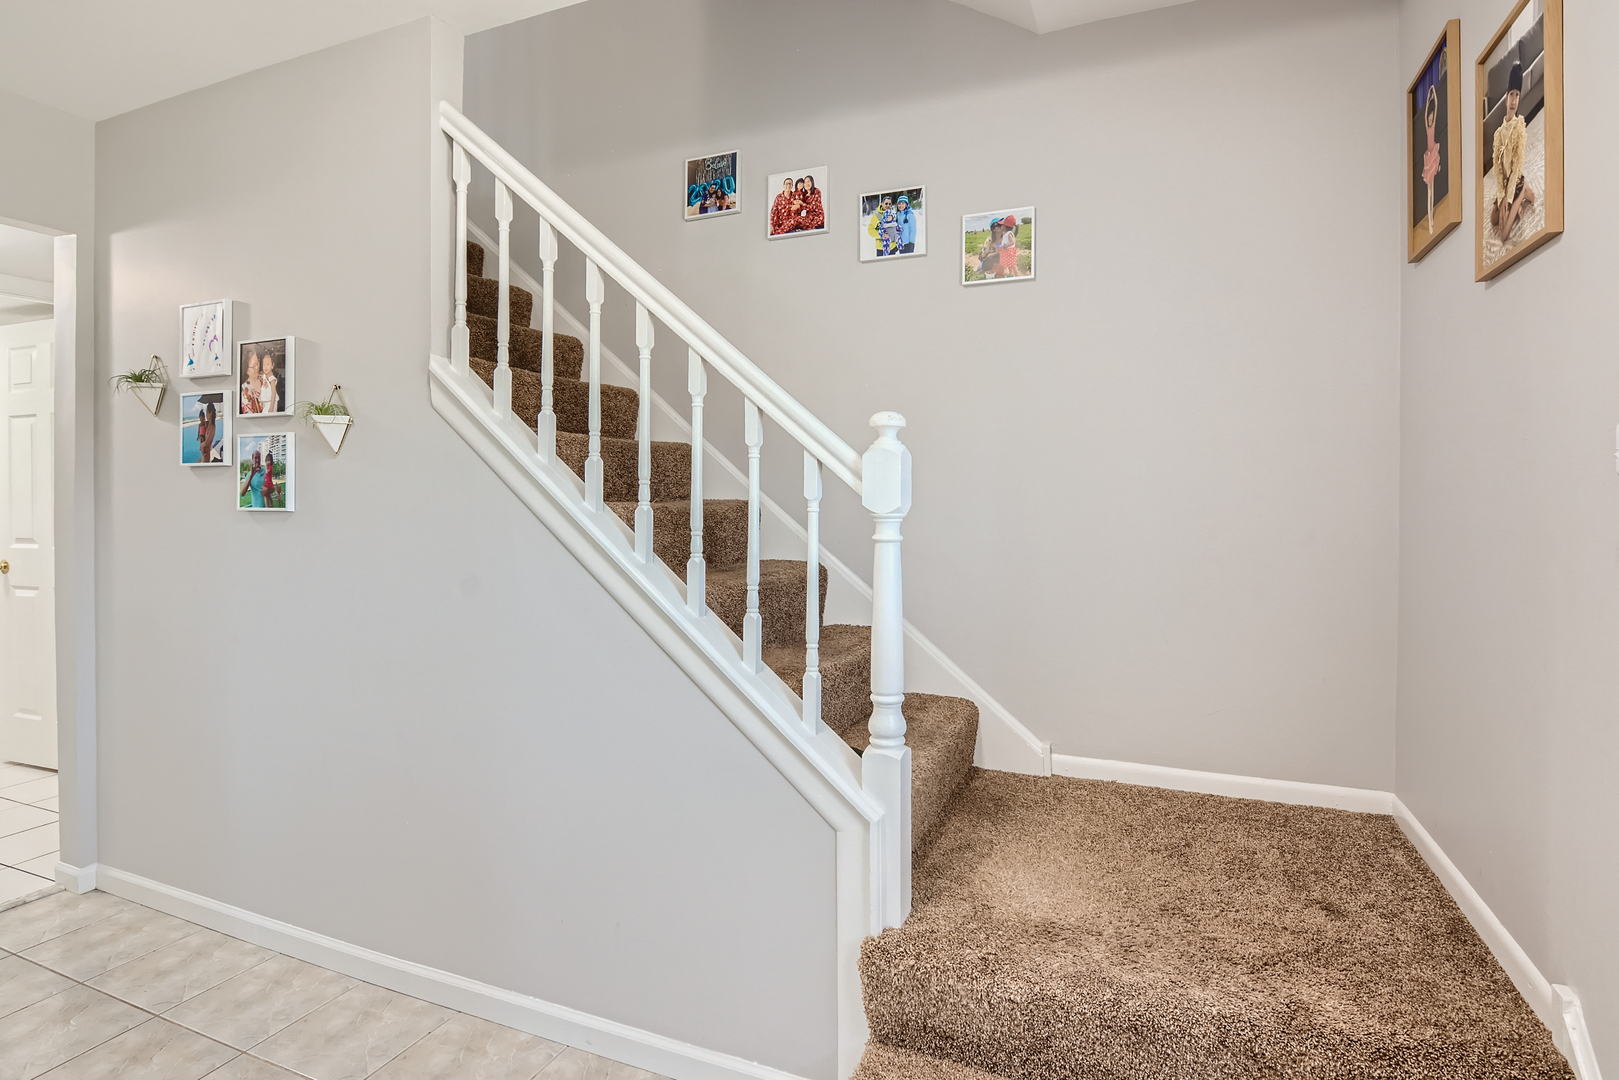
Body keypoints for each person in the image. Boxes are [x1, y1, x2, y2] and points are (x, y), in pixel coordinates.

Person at [1490, 61, 1536, 243]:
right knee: (1494, 219)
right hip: (1505, 184)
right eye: (1511, 95)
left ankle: (1524, 191)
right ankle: (1515, 204)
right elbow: (1498, 170)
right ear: (1506, 97)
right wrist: (1501, 198)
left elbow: (1516, 167)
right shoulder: (1498, 134)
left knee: (1503, 235)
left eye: (1517, 95)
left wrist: (1509, 199)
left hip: (1516, 183)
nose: (1514, 101)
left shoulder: (1519, 127)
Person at [1421, 85, 1441, 234]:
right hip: (1428, 158)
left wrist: (1433, 93)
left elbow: (1436, 107)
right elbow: (1426, 112)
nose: (1430, 119)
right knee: (1428, 190)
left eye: (1431, 118)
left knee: (1432, 190)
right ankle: (1429, 221)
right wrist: (1429, 98)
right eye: (1429, 118)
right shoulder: (1427, 129)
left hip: (1433, 156)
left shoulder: (1432, 127)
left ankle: (1432, 220)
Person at [240, 348, 262, 414]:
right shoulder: (245, 388)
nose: (257, 367)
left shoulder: (265, 379)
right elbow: (247, 413)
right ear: (247, 370)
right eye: (253, 366)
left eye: (257, 363)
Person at [259, 349, 280, 414]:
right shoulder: (264, 376)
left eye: (268, 364)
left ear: (272, 365)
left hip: (270, 402)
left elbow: (273, 393)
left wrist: (271, 407)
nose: (265, 367)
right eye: (264, 365)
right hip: (264, 402)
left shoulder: (272, 379)